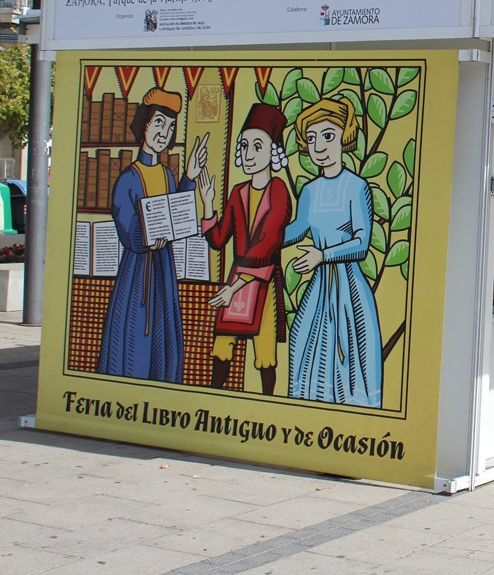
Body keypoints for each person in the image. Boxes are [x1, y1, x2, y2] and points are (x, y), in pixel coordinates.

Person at [97, 87, 207, 383]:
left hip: (163, 269)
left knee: (162, 334)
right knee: (135, 334)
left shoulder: (168, 175)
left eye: (170, 127)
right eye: (159, 123)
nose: (164, 133)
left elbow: (176, 211)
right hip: (138, 275)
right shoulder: (129, 178)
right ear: (144, 124)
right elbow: (126, 226)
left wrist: (190, 178)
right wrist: (147, 235)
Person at [285, 99, 382, 408]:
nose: (319, 146)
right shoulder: (310, 191)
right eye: (311, 139)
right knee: (304, 346)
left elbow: (362, 243)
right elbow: (297, 229)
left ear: (345, 136)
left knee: (352, 357)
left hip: (349, 290)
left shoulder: (356, 186)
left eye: (328, 135)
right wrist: (262, 232)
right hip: (318, 290)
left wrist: (322, 255)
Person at [197, 104, 292, 395]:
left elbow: (267, 243)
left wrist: (234, 286)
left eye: (257, 146)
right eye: (245, 145)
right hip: (237, 280)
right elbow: (218, 238)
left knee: (264, 355)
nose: (249, 154)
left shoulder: (279, 191)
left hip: (262, 281)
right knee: (222, 346)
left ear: (272, 151)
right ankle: (212, 401)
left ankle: (266, 408)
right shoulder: (238, 192)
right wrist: (208, 204)